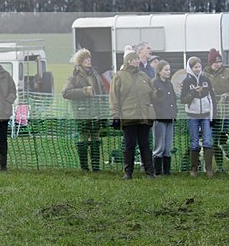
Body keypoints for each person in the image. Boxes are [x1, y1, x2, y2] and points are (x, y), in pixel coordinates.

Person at [109, 51, 155, 180]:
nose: (137, 61)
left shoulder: (144, 76)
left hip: (144, 116)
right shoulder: (119, 77)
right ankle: (128, 172)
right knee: (129, 145)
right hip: (128, 116)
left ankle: (149, 172)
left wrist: (158, 95)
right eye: (134, 59)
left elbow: (152, 94)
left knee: (145, 145)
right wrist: (115, 115)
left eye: (137, 59)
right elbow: (114, 98)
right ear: (128, 61)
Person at [62, 49, 108, 172]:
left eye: (89, 58)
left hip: (96, 113)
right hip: (81, 113)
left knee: (96, 138)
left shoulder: (96, 74)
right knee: (83, 138)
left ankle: (96, 167)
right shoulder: (74, 77)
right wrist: (83, 92)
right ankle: (84, 167)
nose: (88, 60)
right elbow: (65, 93)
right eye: (85, 59)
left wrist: (104, 106)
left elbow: (103, 91)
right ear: (80, 62)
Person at [181, 56, 216, 177]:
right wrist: (193, 93)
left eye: (199, 67)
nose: (197, 69)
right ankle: (194, 169)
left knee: (207, 141)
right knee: (194, 142)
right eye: (195, 67)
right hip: (192, 116)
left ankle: (209, 169)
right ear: (190, 68)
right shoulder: (186, 81)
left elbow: (212, 98)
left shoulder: (206, 79)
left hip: (206, 115)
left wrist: (213, 116)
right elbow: (183, 100)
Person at [151, 60, 177, 176]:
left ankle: (167, 171)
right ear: (159, 71)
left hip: (169, 117)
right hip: (159, 118)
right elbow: (153, 100)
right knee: (159, 145)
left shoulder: (169, 84)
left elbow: (173, 100)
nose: (168, 72)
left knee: (168, 145)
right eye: (166, 70)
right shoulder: (154, 83)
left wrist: (174, 112)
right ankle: (157, 171)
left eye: (169, 70)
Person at [205, 48, 228, 172]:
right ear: (210, 63)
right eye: (215, 62)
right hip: (212, 112)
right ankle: (219, 166)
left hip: (226, 111)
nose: (218, 64)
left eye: (219, 62)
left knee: (225, 138)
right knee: (214, 139)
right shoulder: (205, 74)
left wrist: (227, 94)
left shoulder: (227, 73)